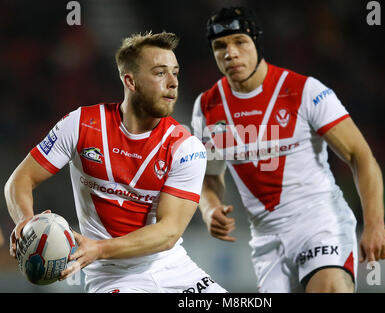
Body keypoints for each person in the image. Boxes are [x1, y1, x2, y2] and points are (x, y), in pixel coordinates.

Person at [191, 7, 385, 293]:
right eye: (220, 46)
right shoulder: (207, 107)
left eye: (240, 42)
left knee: (330, 288)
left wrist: (375, 224)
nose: (230, 52)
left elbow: (360, 156)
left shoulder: (304, 91)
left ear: (257, 44)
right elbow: (210, 175)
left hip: (320, 224)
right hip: (266, 240)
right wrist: (209, 207)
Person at [5, 31, 226, 293]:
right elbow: (19, 180)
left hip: (174, 270)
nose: (173, 82)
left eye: (175, 73)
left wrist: (98, 248)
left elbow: (168, 232)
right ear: (130, 81)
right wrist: (26, 223)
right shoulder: (81, 124)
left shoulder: (186, 148)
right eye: (159, 73)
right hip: (111, 278)